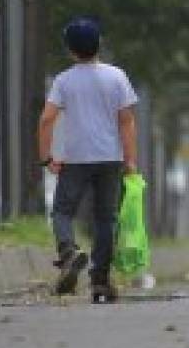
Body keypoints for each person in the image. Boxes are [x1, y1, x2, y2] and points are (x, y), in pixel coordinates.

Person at [37, 17, 138, 303]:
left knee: (62, 212)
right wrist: (130, 160)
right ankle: (100, 281)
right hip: (110, 157)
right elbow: (127, 121)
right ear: (99, 44)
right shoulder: (117, 76)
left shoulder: (64, 81)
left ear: (70, 50)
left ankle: (68, 251)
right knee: (106, 218)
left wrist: (46, 158)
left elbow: (46, 120)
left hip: (76, 158)